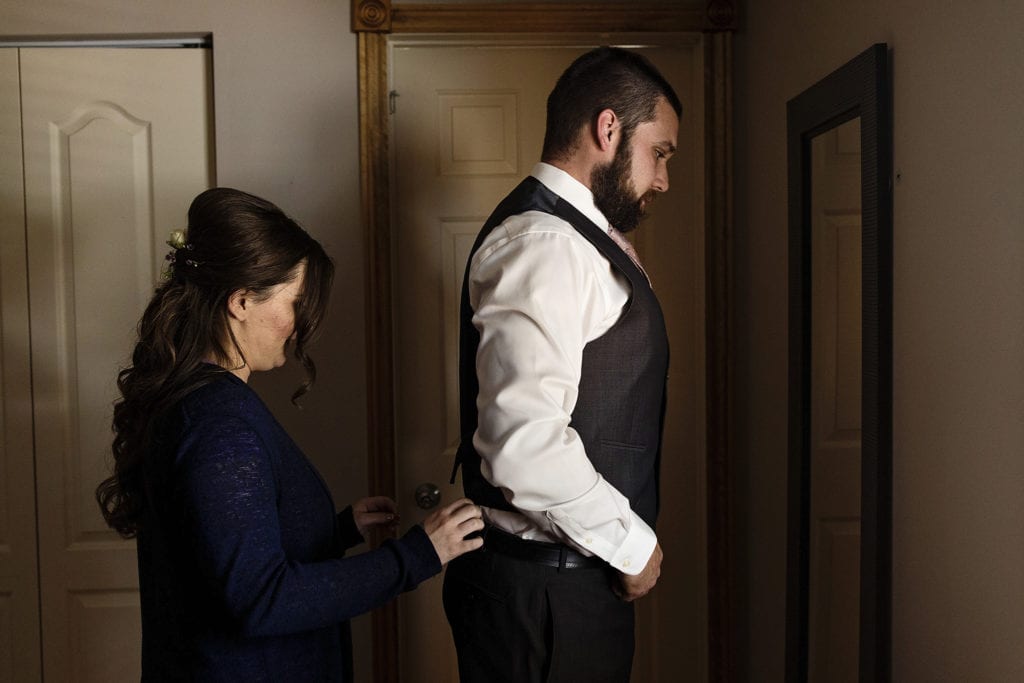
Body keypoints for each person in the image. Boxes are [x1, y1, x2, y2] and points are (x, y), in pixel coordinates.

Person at [95, 187, 483, 681]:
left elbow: (225, 548)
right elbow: (261, 599)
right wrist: (417, 555)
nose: (298, 325)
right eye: (293, 302)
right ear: (240, 302)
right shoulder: (217, 422)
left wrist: (337, 529)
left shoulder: (200, 401)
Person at [443, 47, 682, 682]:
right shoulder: (546, 245)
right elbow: (522, 443)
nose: (663, 179)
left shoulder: (576, 235)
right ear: (609, 129)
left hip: (560, 588)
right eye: (659, 152)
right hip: (543, 599)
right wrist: (632, 544)